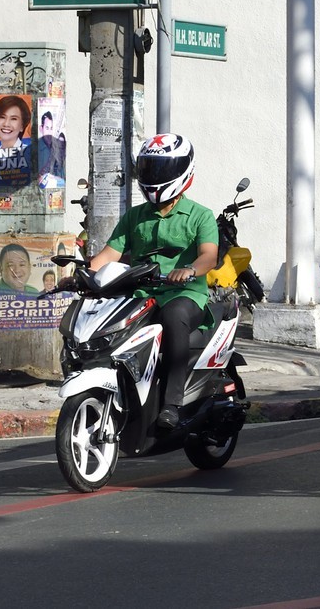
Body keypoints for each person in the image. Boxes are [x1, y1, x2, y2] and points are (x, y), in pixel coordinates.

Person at [88, 133, 219, 429]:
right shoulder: (135, 216)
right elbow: (109, 254)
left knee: (173, 317)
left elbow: (208, 256)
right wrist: (81, 272)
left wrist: (188, 270)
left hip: (184, 294)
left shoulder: (200, 216)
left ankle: (172, 404)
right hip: (141, 294)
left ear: (181, 172)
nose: (153, 177)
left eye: (160, 170)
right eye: (149, 169)